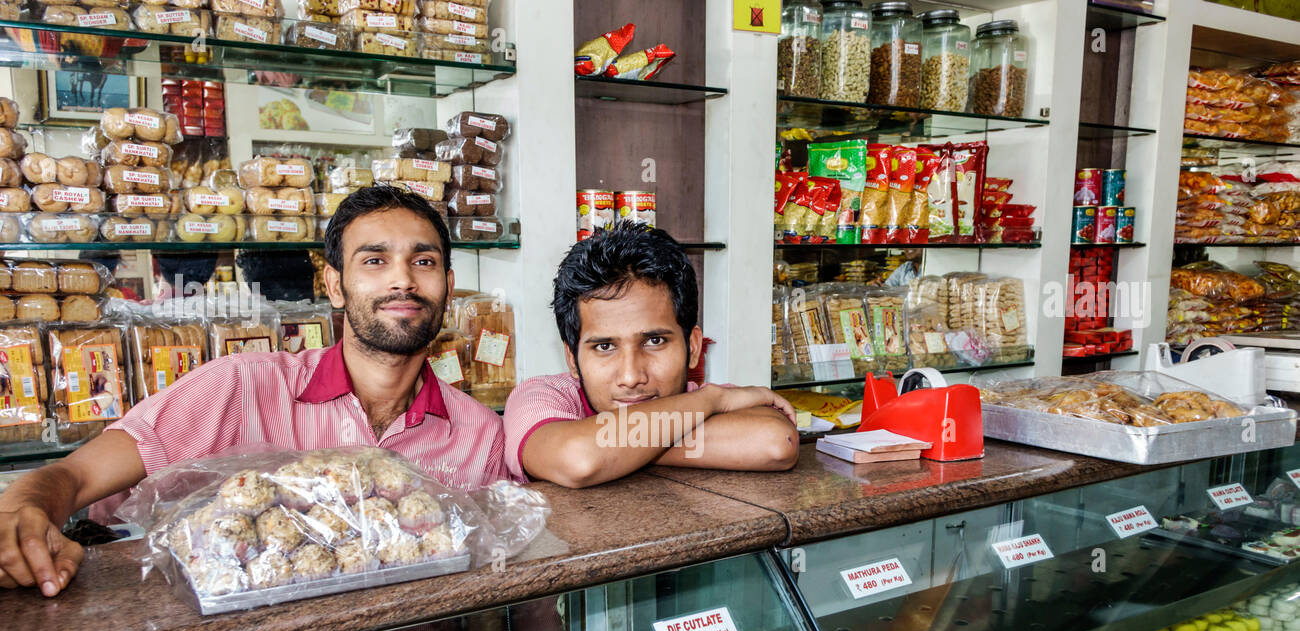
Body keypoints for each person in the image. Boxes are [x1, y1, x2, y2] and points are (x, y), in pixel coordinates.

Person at [0, 183, 507, 597]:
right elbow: (73, 473)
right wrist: (24, 513)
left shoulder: (480, 434)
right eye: (374, 261)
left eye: (424, 262)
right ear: (334, 285)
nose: (403, 281)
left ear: (448, 281)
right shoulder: (240, 387)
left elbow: (495, 587)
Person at [504, 223, 799, 487]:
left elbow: (776, 441)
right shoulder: (541, 396)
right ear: (572, 359)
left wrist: (614, 448)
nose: (631, 376)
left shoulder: (699, 399)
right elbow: (578, 459)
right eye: (605, 347)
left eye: (654, 341)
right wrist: (711, 401)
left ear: (693, 347)